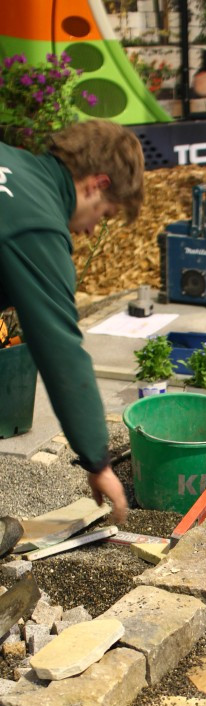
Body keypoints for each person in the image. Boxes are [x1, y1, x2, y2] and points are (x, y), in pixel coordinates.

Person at [0, 119, 146, 526]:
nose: (91, 229)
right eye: (103, 213)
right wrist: (97, 458)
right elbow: (59, 347)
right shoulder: (36, 223)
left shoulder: (12, 163)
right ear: (95, 184)